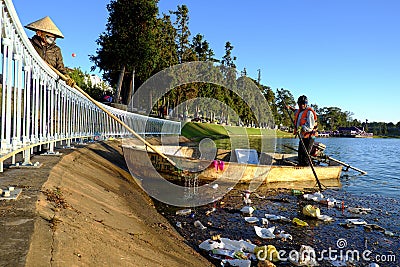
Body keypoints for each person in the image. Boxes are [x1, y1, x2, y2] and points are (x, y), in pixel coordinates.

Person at [25, 16, 75, 87]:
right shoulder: (30, 44)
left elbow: (60, 68)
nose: (52, 39)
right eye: (49, 36)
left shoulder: (56, 50)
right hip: (33, 81)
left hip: (50, 85)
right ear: (39, 33)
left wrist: (67, 77)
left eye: (54, 38)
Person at [290, 95, 318, 166]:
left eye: (303, 104)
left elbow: (310, 126)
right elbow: (295, 111)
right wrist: (290, 108)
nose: (301, 105)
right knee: (300, 155)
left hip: (309, 137)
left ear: (306, 104)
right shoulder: (299, 111)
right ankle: (300, 166)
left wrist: (301, 128)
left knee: (305, 155)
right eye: (300, 104)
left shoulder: (309, 112)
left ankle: (307, 168)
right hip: (303, 137)